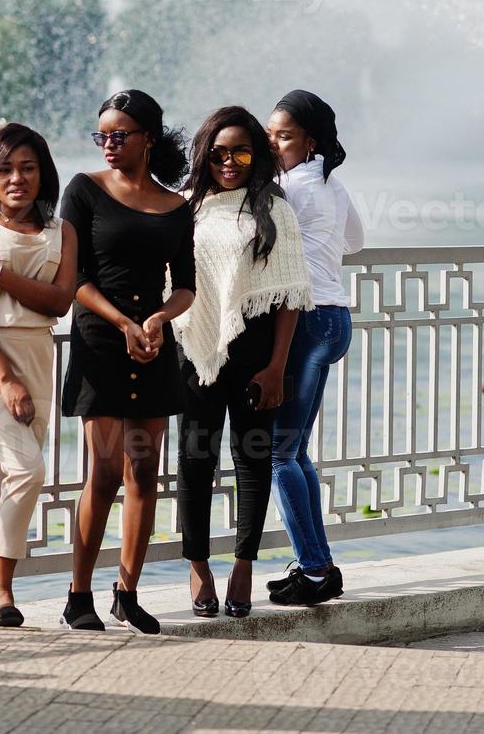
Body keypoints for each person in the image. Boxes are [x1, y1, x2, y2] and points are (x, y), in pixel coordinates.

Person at [58, 89, 195, 635]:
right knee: (106, 469)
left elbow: (185, 287)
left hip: (155, 343)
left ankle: (127, 592)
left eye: (120, 135)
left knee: (145, 472)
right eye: (102, 136)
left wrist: (158, 321)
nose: (109, 145)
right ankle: (77, 595)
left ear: (148, 139)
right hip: (101, 339)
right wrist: (124, 324)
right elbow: (75, 279)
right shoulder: (84, 191)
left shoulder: (176, 205)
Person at [173, 106, 312, 619]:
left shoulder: (273, 209)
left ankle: (244, 564)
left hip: (256, 354)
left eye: (240, 151)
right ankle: (198, 566)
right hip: (196, 350)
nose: (228, 161)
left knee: (252, 459)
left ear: (257, 154)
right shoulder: (186, 206)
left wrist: (277, 367)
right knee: (195, 458)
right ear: (204, 155)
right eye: (218, 152)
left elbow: (291, 296)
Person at [0, 123, 79, 627]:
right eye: (4, 169)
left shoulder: (61, 231)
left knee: (6, 474)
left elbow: (60, 300)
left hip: (38, 353)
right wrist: (5, 378)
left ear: (43, 174)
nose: (16, 179)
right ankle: (4, 591)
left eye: (27, 168)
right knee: (29, 469)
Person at [265, 90, 365, 606]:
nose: (272, 144)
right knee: (295, 451)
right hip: (336, 318)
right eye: (269, 135)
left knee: (279, 454)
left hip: (303, 322)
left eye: (283, 136)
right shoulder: (332, 184)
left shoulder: (285, 190)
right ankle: (319, 565)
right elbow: (356, 243)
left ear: (310, 141)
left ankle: (315, 568)